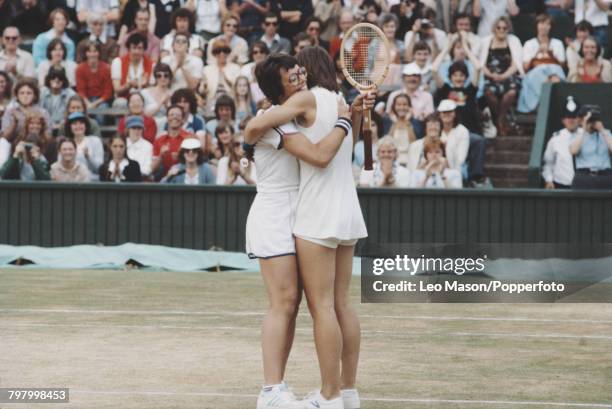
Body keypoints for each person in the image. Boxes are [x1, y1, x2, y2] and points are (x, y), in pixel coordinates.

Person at [245, 47, 374, 409]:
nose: (298, 76)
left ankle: (332, 394)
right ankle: (289, 390)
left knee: (321, 306)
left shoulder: (315, 104)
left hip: (313, 213)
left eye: (299, 70)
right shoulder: (336, 103)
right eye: (291, 73)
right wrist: (351, 118)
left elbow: (320, 155)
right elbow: (254, 129)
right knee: (311, 303)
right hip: (297, 215)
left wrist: (353, 118)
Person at [480, 16, 523, 136]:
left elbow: (516, 63)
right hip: (490, 75)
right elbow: (481, 63)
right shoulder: (485, 41)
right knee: (488, 92)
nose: (501, 30)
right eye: (499, 28)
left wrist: (503, 76)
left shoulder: (514, 41)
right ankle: (503, 119)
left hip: (508, 75)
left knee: (511, 92)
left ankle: (499, 118)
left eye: (505, 28)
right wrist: (490, 75)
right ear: (494, 28)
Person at [518, 13, 566, 113]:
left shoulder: (557, 43)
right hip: (535, 73)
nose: (544, 27)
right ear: (537, 25)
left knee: (555, 77)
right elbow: (525, 67)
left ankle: (547, 105)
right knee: (545, 77)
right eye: (541, 23)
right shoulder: (529, 44)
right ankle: (547, 105)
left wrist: (549, 52)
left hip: (554, 71)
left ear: (551, 27)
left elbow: (562, 65)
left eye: (547, 24)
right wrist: (537, 52)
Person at [569, 106, 612, 189]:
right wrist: (584, 129)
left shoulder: (606, 134)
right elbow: (573, 151)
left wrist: (602, 130)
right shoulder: (577, 135)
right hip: (584, 176)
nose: (592, 122)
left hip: (605, 176)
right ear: (581, 120)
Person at [542, 96, 579, 189]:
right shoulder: (556, 139)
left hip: (584, 185)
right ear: (563, 120)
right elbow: (548, 163)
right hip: (561, 184)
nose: (571, 120)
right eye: (568, 117)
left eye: (574, 117)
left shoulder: (586, 135)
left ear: (579, 119)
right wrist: (549, 180)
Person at [0, 112, 50, 181]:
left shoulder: (44, 154)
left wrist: (36, 160)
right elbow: (4, 174)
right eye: (32, 123)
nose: (35, 126)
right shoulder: (18, 142)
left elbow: (46, 179)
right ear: (27, 125)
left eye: (38, 124)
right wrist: (15, 156)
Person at [386, 64, 434, 134]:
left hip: (419, 131)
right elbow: (389, 114)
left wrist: (413, 116)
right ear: (403, 78)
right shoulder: (393, 95)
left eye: (415, 76)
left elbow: (429, 118)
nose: (412, 79)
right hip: (396, 129)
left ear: (420, 78)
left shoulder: (427, 96)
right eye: (408, 76)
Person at [1, 78, 50, 142]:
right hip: (14, 144)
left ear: (34, 95)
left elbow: (49, 138)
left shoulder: (43, 112)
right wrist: (14, 123)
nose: (25, 96)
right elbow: (4, 137)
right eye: (22, 93)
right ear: (17, 96)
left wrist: (41, 126)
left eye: (29, 93)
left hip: (38, 144)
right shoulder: (10, 111)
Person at [111, 33, 154, 103]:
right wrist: (129, 85)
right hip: (124, 98)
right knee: (120, 103)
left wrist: (146, 85)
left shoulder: (152, 65)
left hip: (144, 98)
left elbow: (153, 91)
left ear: (144, 50)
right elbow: (117, 90)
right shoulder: (118, 62)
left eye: (140, 48)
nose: (137, 52)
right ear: (128, 49)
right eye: (134, 48)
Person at [201, 39, 241, 113]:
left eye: (225, 51)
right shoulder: (206, 69)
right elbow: (202, 90)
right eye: (218, 51)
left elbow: (237, 88)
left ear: (228, 53)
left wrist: (224, 76)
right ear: (214, 54)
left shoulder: (236, 68)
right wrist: (204, 87)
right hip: (212, 102)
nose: (222, 54)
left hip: (230, 101)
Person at [152, 105, 192, 178]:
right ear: (167, 118)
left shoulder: (190, 139)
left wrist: (181, 158)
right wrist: (161, 156)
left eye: (178, 115)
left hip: (185, 178)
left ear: (183, 119)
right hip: (164, 181)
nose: (174, 117)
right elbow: (152, 169)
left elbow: (197, 163)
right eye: (171, 115)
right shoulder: (159, 140)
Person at [75, 41, 113, 117]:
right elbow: (81, 91)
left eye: (95, 51)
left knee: (101, 109)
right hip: (86, 99)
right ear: (86, 53)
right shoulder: (80, 69)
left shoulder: (107, 68)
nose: (92, 54)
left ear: (99, 53)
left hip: (101, 101)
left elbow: (108, 93)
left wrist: (95, 104)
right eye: (89, 51)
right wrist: (88, 103)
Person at [63, 112, 104, 181]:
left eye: (81, 123)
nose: (78, 126)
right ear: (69, 127)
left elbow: (100, 169)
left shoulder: (95, 141)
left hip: (92, 183)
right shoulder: (65, 143)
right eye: (74, 124)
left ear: (86, 125)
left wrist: (88, 157)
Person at [437, 99, 470, 178]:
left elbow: (461, 159)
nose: (447, 114)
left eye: (450, 111)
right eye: (444, 112)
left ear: (455, 113)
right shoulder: (436, 129)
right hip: (437, 168)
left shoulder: (462, 131)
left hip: (457, 169)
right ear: (439, 114)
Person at [384, 93, 419, 166]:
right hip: (392, 160)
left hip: (411, 160)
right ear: (394, 106)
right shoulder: (387, 122)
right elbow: (387, 142)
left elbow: (414, 144)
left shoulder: (416, 122)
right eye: (398, 104)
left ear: (409, 107)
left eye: (405, 104)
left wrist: (407, 122)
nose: (402, 107)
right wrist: (395, 123)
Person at [40, 67, 76, 135]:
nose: (56, 80)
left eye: (60, 78)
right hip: (45, 125)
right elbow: (38, 110)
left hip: (64, 126)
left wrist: (63, 123)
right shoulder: (42, 92)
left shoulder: (71, 94)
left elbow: (72, 112)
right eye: (53, 78)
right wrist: (49, 124)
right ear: (49, 80)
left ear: (64, 81)